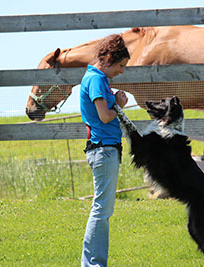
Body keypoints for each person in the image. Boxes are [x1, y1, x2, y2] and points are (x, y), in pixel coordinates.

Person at [80, 34, 130, 267]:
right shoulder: (97, 80)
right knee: (101, 210)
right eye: (121, 65)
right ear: (109, 58)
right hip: (104, 150)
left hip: (105, 150)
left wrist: (114, 98)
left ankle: (92, 262)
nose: (121, 71)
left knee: (103, 209)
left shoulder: (97, 79)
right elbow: (105, 115)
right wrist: (118, 103)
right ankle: (93, 264)